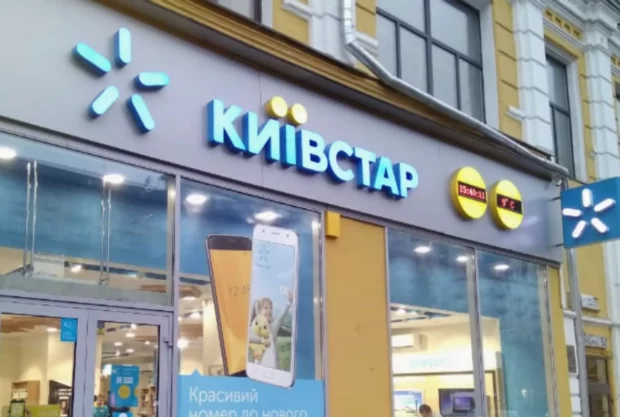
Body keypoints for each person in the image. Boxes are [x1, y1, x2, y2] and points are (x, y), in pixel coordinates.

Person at [248, 289, 293, 369]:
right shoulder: (256, 325)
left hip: (273, 367)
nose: (269, 310)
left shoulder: (272, 327)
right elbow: (249, 336)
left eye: (271, 308)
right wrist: (261, 340)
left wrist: (289, 303)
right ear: (260, 311)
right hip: (259, 367)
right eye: (266, 308)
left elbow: (281, 316)